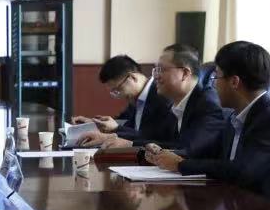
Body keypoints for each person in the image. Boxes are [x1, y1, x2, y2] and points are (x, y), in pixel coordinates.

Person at [148, 41, 270, 206]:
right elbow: (208, 154)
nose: (213, 84)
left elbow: (243, 171)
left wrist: (181, 164)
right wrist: (165, 155)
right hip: (239, 207)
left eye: (216, 77)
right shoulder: (236, 116)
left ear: (234, 82)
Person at [90, 45, 227, 157]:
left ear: (185, 73)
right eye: (156, 70)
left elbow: (187, 150)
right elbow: (158, 139)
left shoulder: (207, 103)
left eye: (161, 70)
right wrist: (114, 137)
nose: (156, 76)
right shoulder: (179, 102)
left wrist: (130, 144)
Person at [74, 55, 176, 148]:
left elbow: (153, 138)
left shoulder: (162, 96)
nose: (119, 95)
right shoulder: (137, 98)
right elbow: (124, 125)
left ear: (132, 78)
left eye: (118, 89)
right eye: (114, 92)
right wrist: (94, 123)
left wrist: (116, 129)